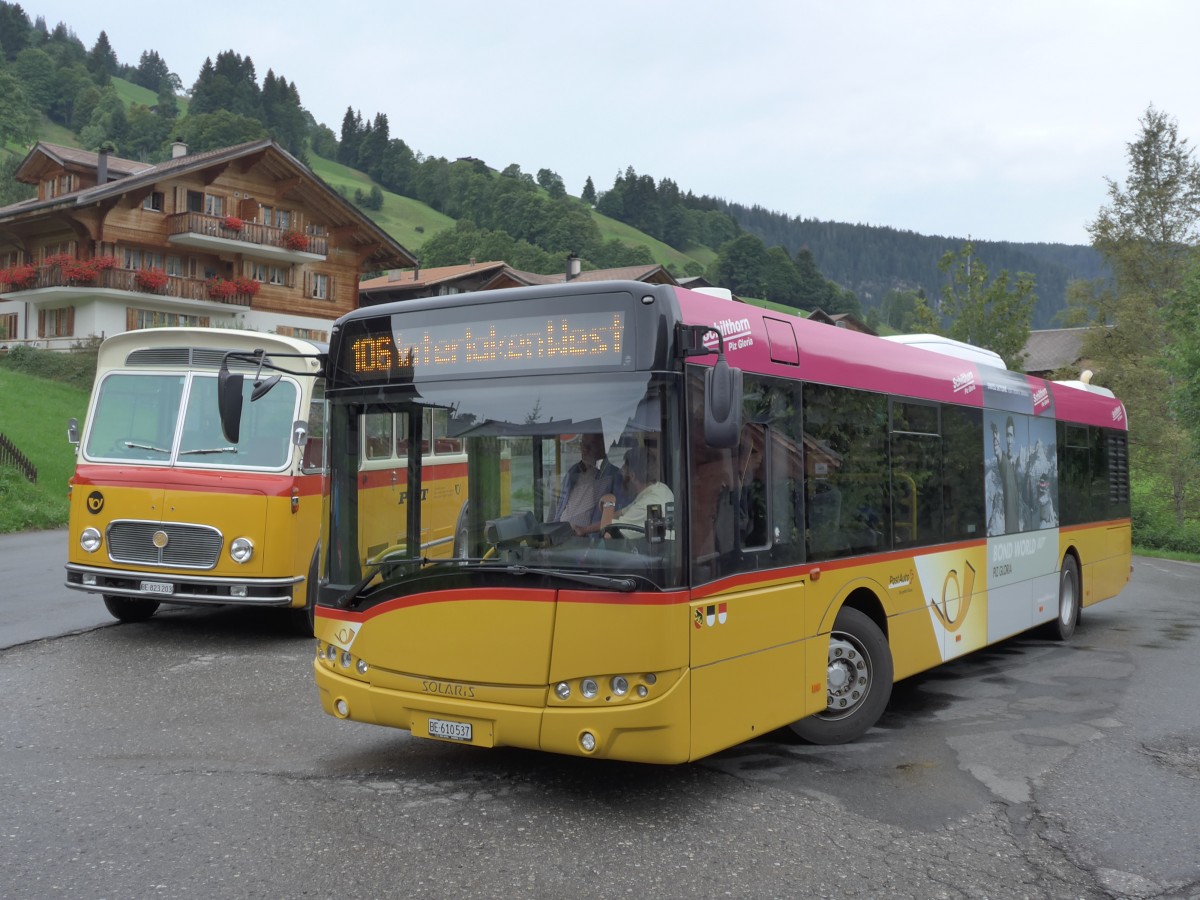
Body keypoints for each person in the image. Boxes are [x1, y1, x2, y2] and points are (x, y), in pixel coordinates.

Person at [554, 433, 623, 535]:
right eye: (583, 445)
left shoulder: (614, 476)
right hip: (562, 532)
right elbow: (560, 504)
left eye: (591, 446)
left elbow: (619, 514)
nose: (585, 450)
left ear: (602, 448)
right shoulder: (574, 471)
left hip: (588, 538)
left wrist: (586, 530)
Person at [597, 444, 674, 535]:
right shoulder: (661, 488)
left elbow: (607, 534)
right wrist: (585, 529)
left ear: (632, 475)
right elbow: (617, 516)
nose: (621, 472)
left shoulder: (646, 505)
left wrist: (609, 503)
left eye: (624, 469)